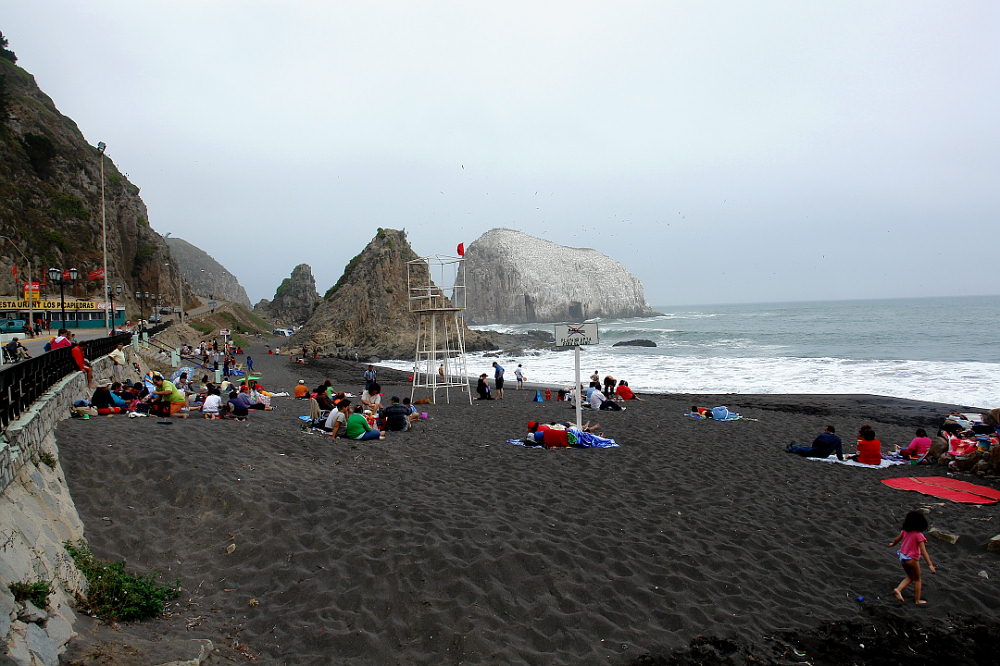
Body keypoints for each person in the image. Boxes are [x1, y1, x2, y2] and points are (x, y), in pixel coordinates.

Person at [888, 510, 937, 605]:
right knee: (918, 579)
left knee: (911, 577)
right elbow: (923, 552)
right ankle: (917, 600)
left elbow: (897, 539)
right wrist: (930, 565)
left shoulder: (904, 531)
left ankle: (898, 589)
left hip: (902, 558)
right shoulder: (919, 535)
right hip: (912, 560)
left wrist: (892, 544)